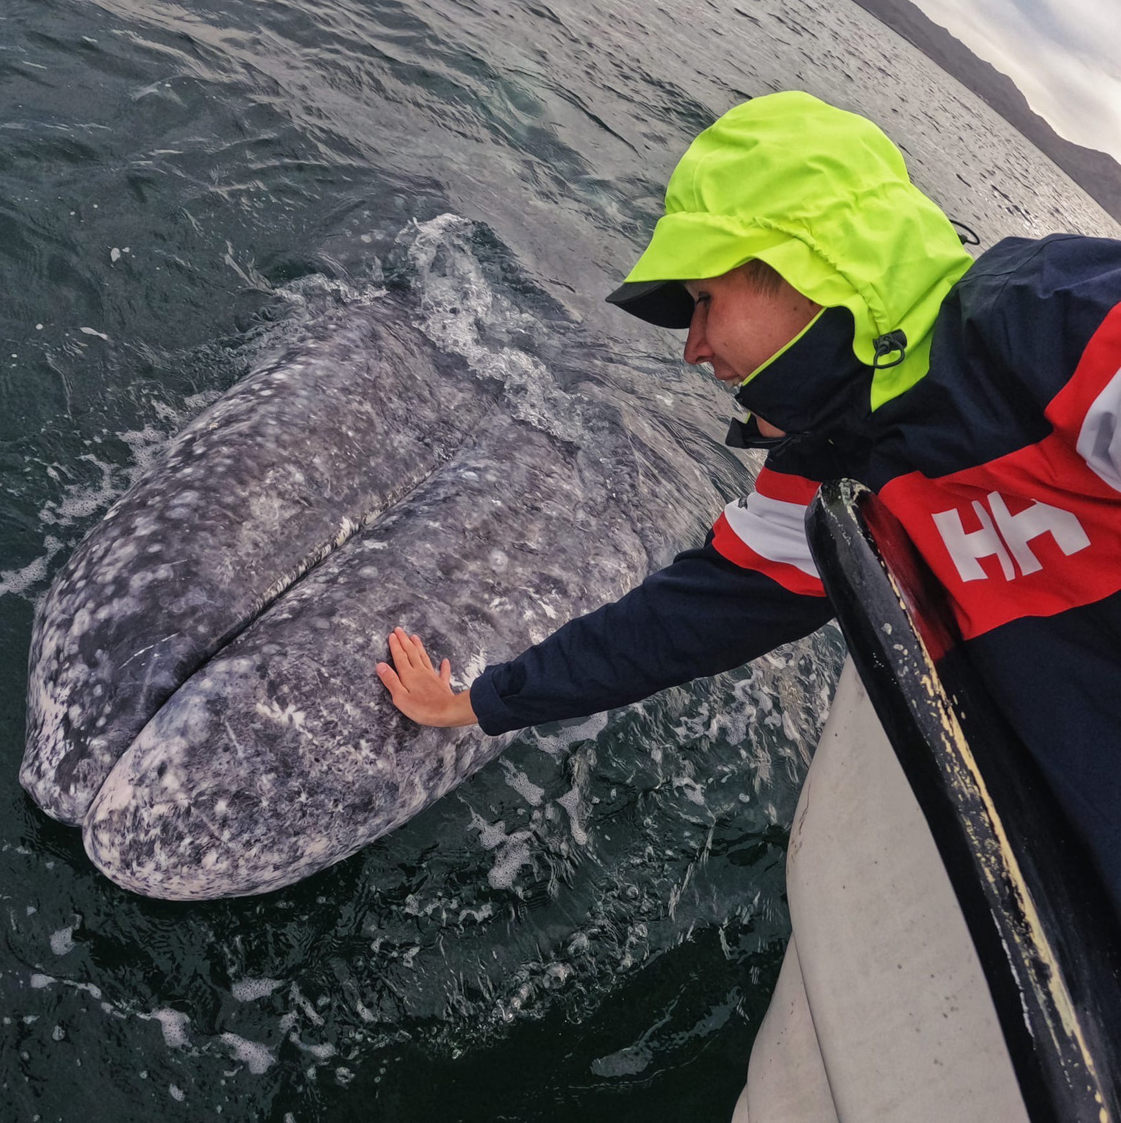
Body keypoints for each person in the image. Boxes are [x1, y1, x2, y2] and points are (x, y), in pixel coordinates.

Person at [375, 90, 1121, 913]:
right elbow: (678, 622)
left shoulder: (1059, 323)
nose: (692, 348)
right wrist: (481, 700)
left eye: (703, 302)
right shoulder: (834, 470)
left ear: (814, 264)